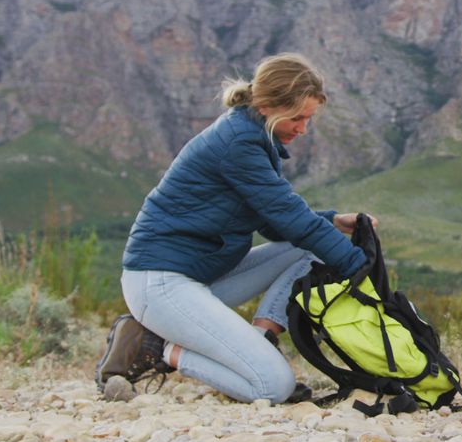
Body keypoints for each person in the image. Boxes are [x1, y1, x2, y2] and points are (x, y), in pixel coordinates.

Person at [96, 53, 371, 404]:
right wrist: (359, 267)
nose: (303, 129)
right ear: (269, 105)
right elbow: (287, 214)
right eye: (298, 118)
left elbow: (275, 223)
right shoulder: (239, 142)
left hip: (200, 276)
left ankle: (263, 335)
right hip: (160, 283)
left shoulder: (254, 135)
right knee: (273, 387)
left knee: (310, 249)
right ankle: (159, 348)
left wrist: (333, 221)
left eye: (308, 119)